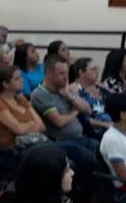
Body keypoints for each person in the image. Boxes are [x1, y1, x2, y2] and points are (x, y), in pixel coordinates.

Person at [30, 55, 99, 194]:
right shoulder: (40, 95)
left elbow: (87, 109)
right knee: (91, 157)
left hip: (80, 138)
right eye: (61, 74)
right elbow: (59, 122)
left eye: (67, 73)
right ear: (49, 74)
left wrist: (69, 96)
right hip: (61, 142)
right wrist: (75, 111)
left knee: (103, 149)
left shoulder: (64, 90)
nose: (66, 77)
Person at [0, 66, 49, 151]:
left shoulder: (21, 98)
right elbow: (19, 130)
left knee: (71, 147)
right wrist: (31, 123)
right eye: (17, 79)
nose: (22, 80)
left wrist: (25, 127)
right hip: (14, 149)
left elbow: (42, 126)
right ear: (5, 84)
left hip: (35, 142)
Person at [71, 57, 112, 134]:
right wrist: (105, 125)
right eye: (93, 69)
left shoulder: (100, 87)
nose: (97, 72)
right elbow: (81, 118)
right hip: (95, 130)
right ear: (81, 72)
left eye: (97, 69)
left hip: (114, 125)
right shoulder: (75, 89)